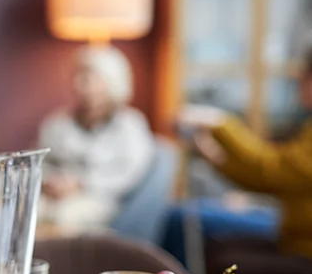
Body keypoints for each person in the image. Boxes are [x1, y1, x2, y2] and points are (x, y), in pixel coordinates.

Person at [179, 48, 312, 259]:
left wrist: (221, 123)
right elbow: (266, 178)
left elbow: (270, 169)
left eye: (304, 75)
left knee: (221, 256)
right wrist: (215, 158)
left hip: (304, 251)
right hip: (292, 241)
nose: (298, 82)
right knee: (216, 248)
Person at [37, 47, 155, 233]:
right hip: (52, 194)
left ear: (111, 81)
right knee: (26, 212)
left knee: (63, 217)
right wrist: (50, 182)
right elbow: (38, 161)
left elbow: (130, 174)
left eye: (88, 77)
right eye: (77, 76)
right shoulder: (57, 122)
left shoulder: (130, 125)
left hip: (100, 199)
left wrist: (80, 183)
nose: (79, 84)